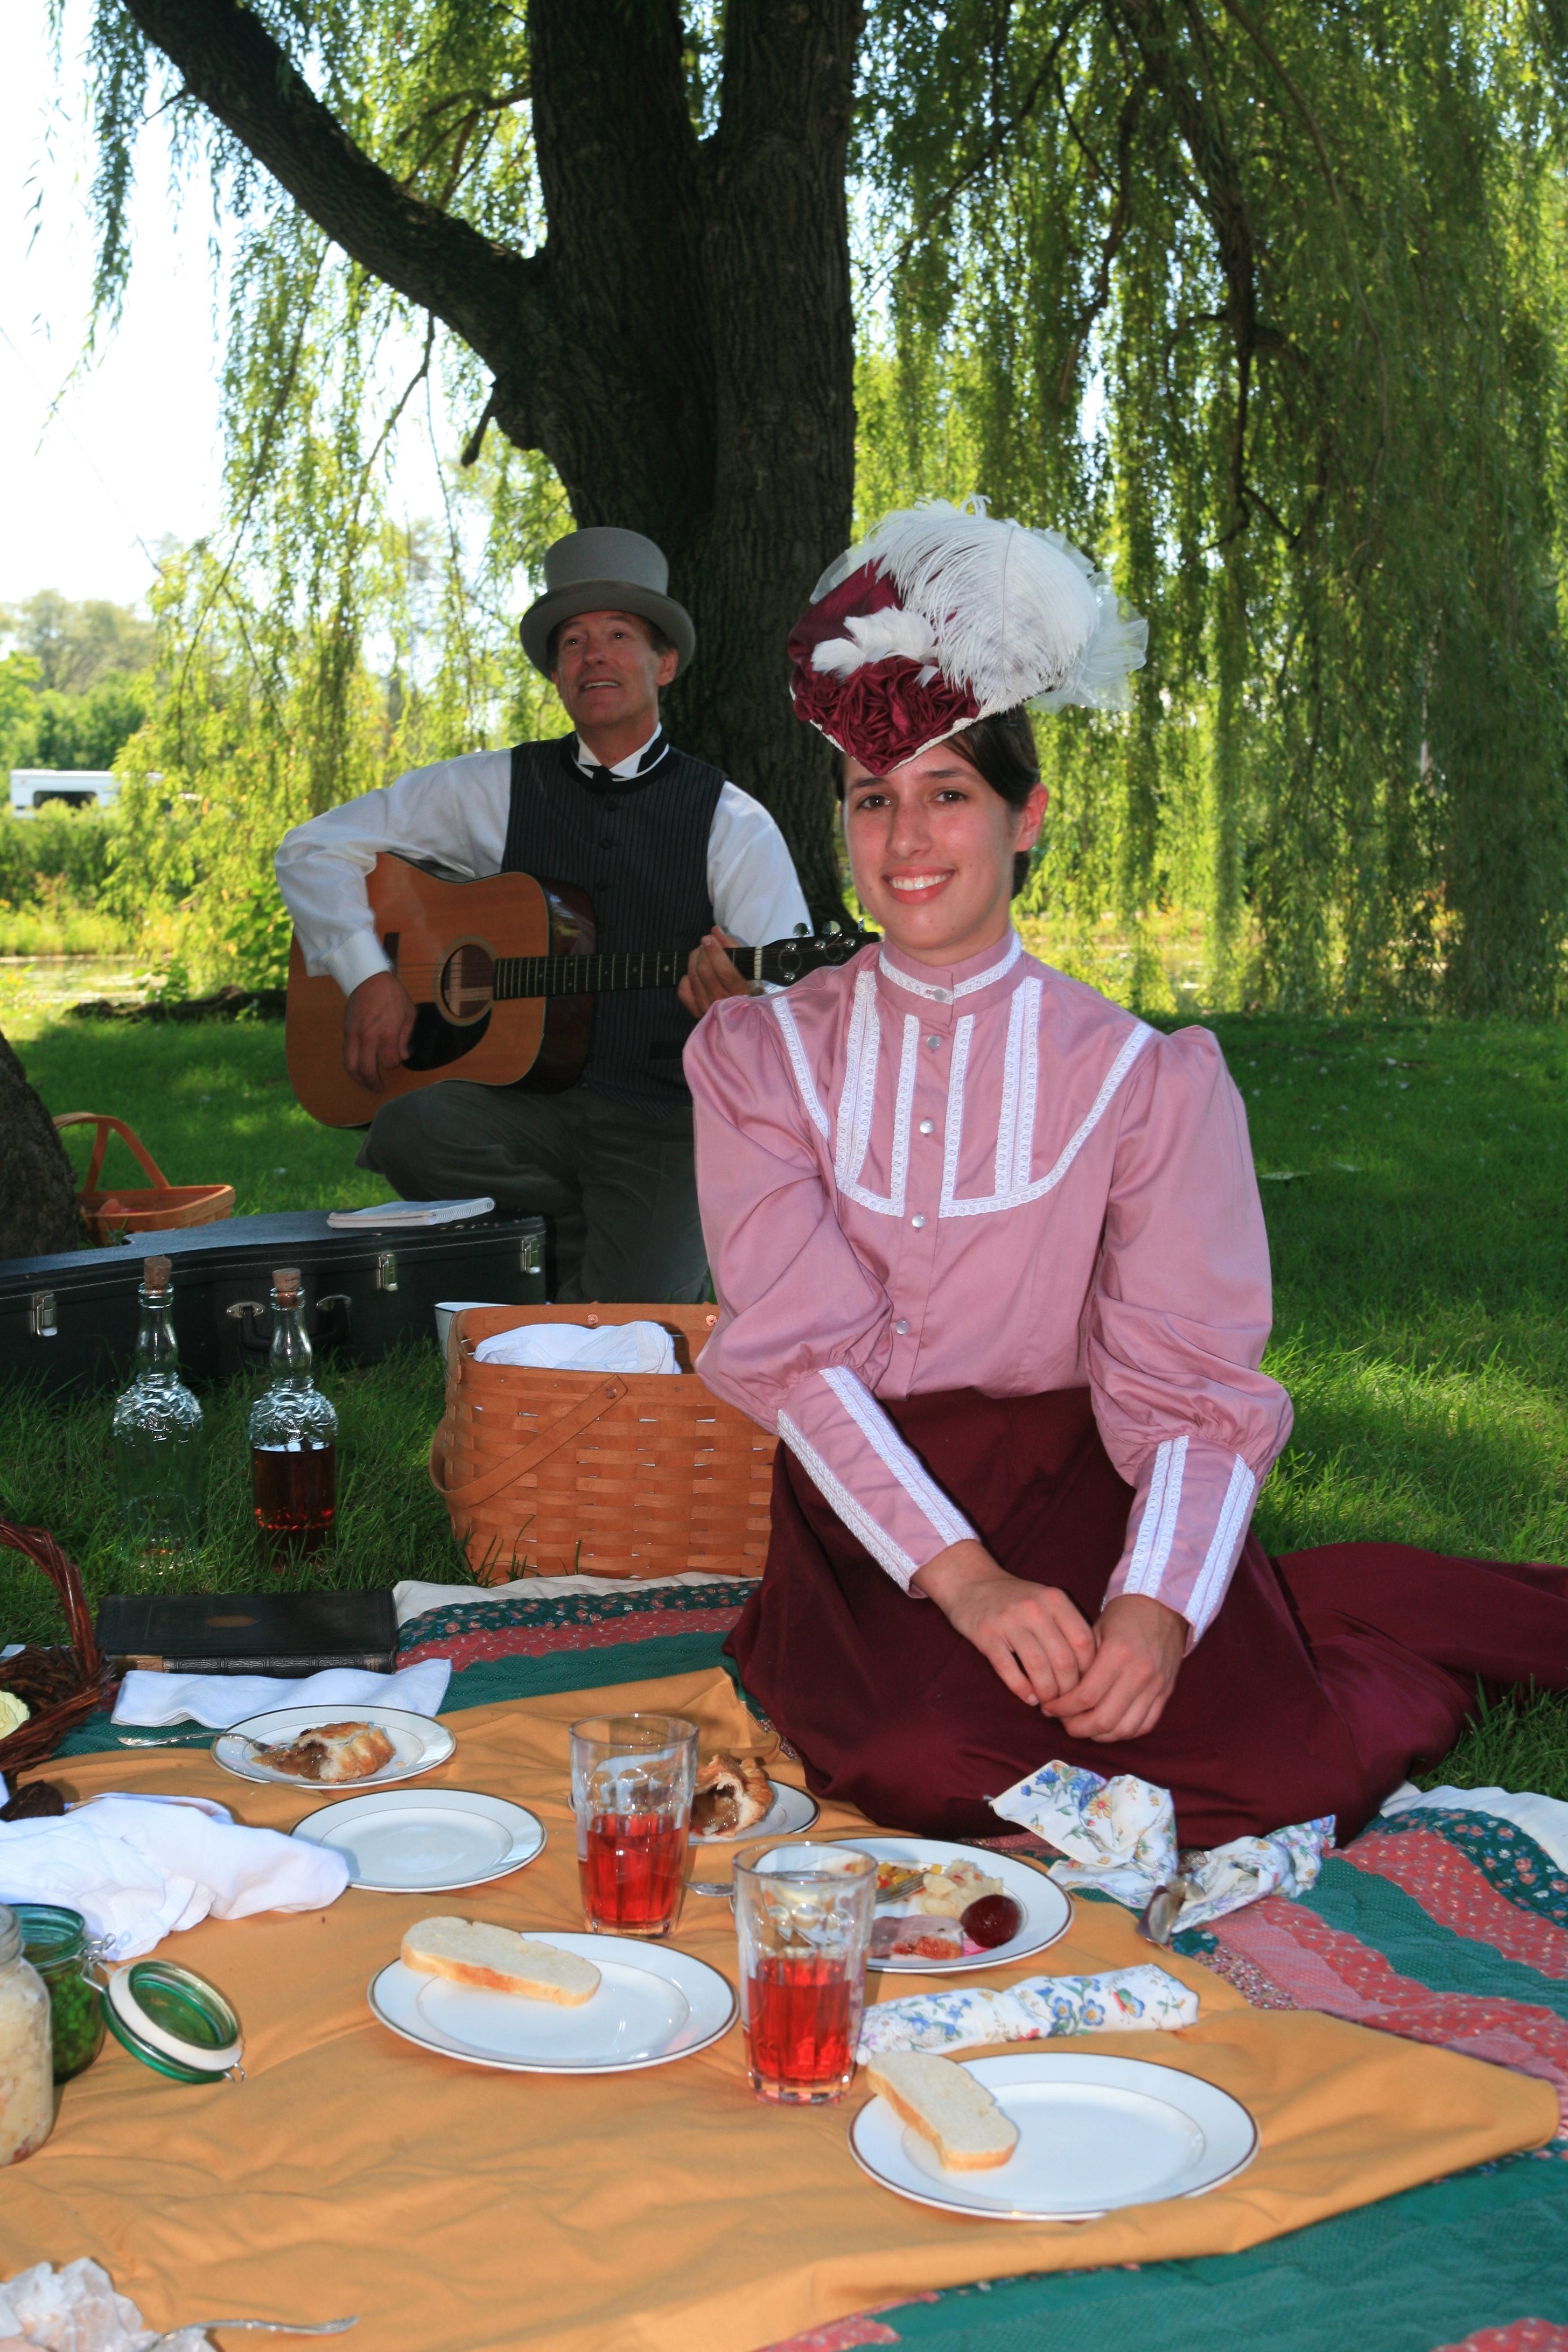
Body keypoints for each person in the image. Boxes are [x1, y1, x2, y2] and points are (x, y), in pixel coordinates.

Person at [683, 498, 1568, 1849]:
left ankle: (1378, 1642)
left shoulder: (1139, 1079)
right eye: (874, 801)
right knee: (933, 1769)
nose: (907, 842)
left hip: (1080, 1468)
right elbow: (805, 1362)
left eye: (948, 795)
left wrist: (1153, 1610)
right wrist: (971, 1586)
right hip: (868, 1503)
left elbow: (1190, 1377)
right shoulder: (759, 1061)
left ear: (1026, 816)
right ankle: (1274, 1597)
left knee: (1274, 1782)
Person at [276, 527, 810, 1303]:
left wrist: (740, 1011)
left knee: (640, 1329)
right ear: (557, 676)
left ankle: (567, 1252)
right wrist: (368, 978)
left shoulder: (732, 821)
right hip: (522, 1110)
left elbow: (792, 1008)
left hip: (664, 1120)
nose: (593, 656)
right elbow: (314, 850)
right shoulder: (494, 788)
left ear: (663, 666)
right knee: (407, 1127)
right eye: (573, 642)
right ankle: (570, 1235)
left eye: (618, 636)